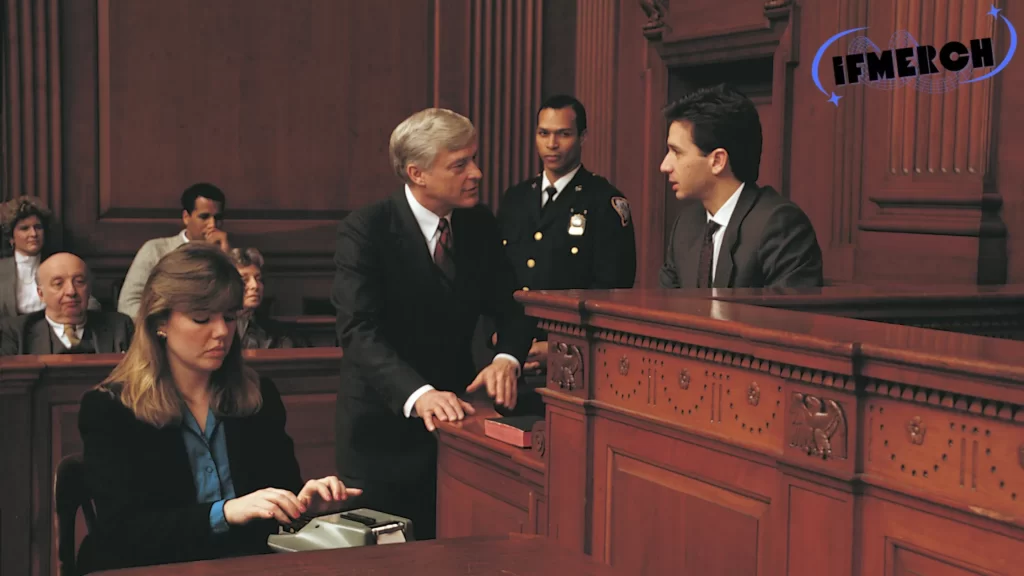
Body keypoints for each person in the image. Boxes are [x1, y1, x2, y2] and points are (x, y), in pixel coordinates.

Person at [77, 243, 360, 574]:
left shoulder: (258, 396)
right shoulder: (110, 409)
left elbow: (276, 496)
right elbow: (123, 533)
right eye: (201, 318)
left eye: (229, 317)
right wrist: (224, 512)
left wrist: (304, 504)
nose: (222, 332)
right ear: (160, 323)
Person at [331, 108, 534, 540]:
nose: (476, 173)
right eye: (460, 164)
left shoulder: (479, 224)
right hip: (380, 430)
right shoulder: (367, 229)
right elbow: (358, 331)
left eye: (474, 159)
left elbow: (514, 306)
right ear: (417, 173)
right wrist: (418, 394)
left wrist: (507, 359)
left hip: (457, 426)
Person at [496, 95, 636, 374]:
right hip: (506, 354)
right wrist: (504, 341)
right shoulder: (516, 198)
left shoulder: (603, 201)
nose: (552, 144)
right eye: (544, 133)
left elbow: (612, 292)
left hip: (571, 358)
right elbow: (495, 276)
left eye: (564, 134)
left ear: (582, 137)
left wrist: (560, 345)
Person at [658, 84, 823, 289]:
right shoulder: (685, 226)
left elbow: (788, 318)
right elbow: (665, 310)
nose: (665, 166)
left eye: (677, 152)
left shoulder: (781, 226)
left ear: (718, 161)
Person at [117, 183, 231, 319]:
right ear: (186, 217)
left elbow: (236, 303)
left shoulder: (225, 252)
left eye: (217, 218)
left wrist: (225, 256)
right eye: (204, 217)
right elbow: (127, 304)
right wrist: (162, 327)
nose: (212, 225)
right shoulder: (155, 249)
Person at [0, 253, 133, 355]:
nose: (71, 291)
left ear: (89, 289)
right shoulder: (16, 333)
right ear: (41, 294)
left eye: (79, 281)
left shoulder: (120, 327)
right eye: (58, 284)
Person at [0, 196, 101, 316]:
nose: (33, 234)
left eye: (38, 227)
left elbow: (92, 305)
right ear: (11, 238)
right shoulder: (2, 269)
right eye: (24, 228)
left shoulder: (58, 264)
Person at [227, 247, 303, 349]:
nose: (255, 285)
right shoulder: (217, 331)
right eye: (244, 279)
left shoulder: (281, 335)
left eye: (258, 279)